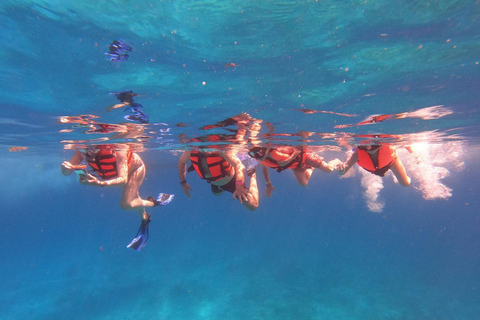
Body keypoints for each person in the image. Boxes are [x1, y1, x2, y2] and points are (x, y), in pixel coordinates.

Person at [61, 144, 174, 251]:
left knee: (127, 204)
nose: (88, 155)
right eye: (85, 152)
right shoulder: (82, 150)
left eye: (92, 150)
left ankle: (154, 203)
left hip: (135, 170)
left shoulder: (118, 149)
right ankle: (145, 218)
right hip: (116, 174)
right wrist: (65, 169)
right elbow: (66, 173)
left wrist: (100, 183)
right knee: (132, 195)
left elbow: (123, 180)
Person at [178, 149, 259, 211]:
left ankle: (252, 174)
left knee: (253, 206)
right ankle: (221, 188)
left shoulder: (222, 150)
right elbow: (181, 162)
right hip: (215, 184)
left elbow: (240, 166)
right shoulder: (191, 150)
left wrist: (239, 187)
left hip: (234, 182)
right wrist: (183, 182)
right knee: (216, 194)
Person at [248, 146, 342, 197]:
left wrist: (287, 160)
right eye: (252, 154)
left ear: (265, 150)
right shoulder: (260, 159)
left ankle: (336, 160)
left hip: (305, 157)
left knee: (328, 169)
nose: (257, 156)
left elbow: (297, 150)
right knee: (303, 184)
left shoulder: (278, 150)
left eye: (259, 153)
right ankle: (310, 168)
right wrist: (268, 184)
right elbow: (264, 167)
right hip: (296, 164)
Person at [337, 144, 411, 186]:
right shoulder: (357, 154)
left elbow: (404, 142)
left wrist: (415, 155)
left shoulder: (388, 145)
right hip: (375, 168)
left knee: (405, 183)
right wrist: (341, 170)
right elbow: (343, 172)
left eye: (374, 145)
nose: (369, 147)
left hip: (391, 163)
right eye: (363, 146)